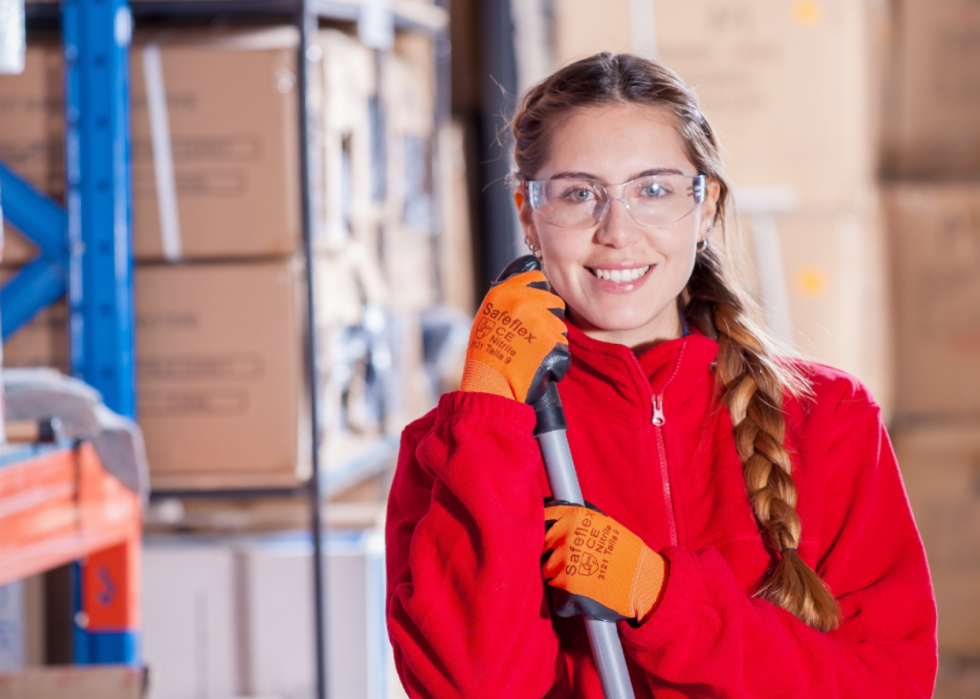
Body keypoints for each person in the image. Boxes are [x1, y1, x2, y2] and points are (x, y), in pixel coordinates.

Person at [385, 53, 937, 698]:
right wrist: (486, 416)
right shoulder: (453, 447)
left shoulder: (829, 416)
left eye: (653, 190)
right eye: (577, 193)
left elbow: (889, 685)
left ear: (706, 208)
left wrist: (664, 600)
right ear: (528, 214)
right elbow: (473, 687)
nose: (617, 232)